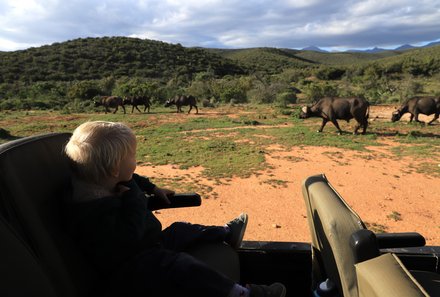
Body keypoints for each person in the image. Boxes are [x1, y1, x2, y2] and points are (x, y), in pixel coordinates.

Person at [64, 120, 287, 297]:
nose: (136, 161)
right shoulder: (94, 213)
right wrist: (136, 199)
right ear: (114, 169)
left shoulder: (106, 180)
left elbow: (133, 178)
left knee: (180, 228)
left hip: (148, 244)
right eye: (132, 156)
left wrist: (153, 187)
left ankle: (226, 233)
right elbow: (129, 236)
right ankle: (243, 293)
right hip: (134, 266)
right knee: (182, 266)